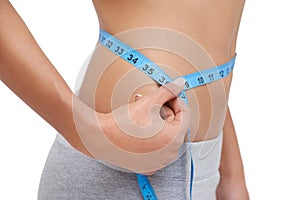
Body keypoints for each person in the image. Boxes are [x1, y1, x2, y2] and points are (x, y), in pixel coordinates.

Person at [0, 0, 249, 199]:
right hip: (115, 174)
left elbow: (201, 33)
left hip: (207, 170)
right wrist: (86, 132)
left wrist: (231, 175)